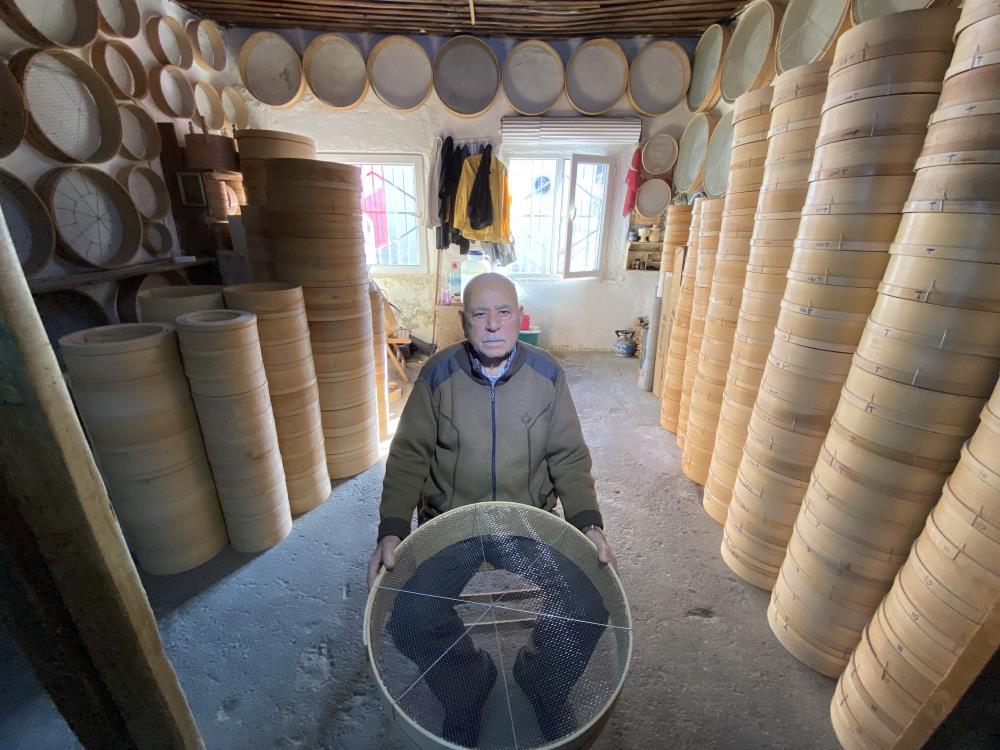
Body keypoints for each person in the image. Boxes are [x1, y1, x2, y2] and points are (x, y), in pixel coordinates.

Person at [368, 273, 618, 746]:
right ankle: (467, 689)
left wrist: (588, 523)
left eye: (503, 312)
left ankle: (542, 684)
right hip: (450, 524)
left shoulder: (547, 375)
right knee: (411, 619)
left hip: (528, 521)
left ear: (518, 317)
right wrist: (393, 529)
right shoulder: (438, 374)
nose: (492, 325)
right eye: (479, 314)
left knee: (588, 599)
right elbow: (408, 456)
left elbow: (568, 455)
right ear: (463, 321)